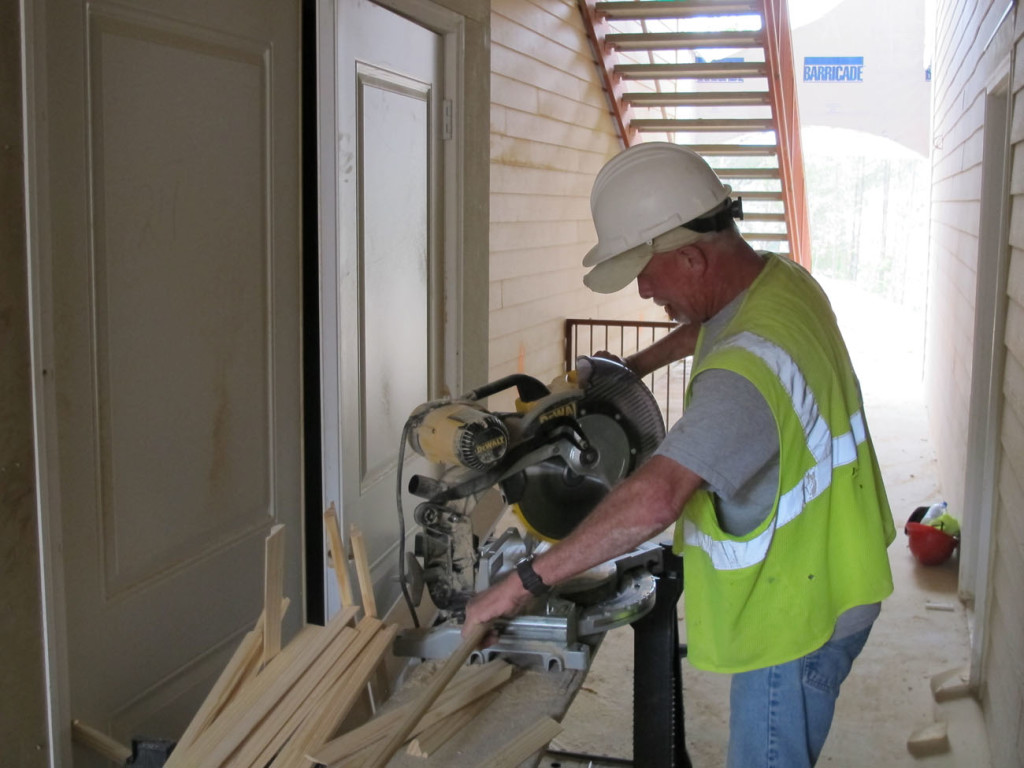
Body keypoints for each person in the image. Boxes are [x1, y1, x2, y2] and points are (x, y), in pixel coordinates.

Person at [462, 142, 896, 768]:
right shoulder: (779, 279)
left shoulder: (745, 377)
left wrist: (522, 583)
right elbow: (707, 325)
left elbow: (657, 497)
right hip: (835, 566)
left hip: (798, 614)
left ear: (692, 256)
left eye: (646, 271)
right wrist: (631, 368)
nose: (642, 289)